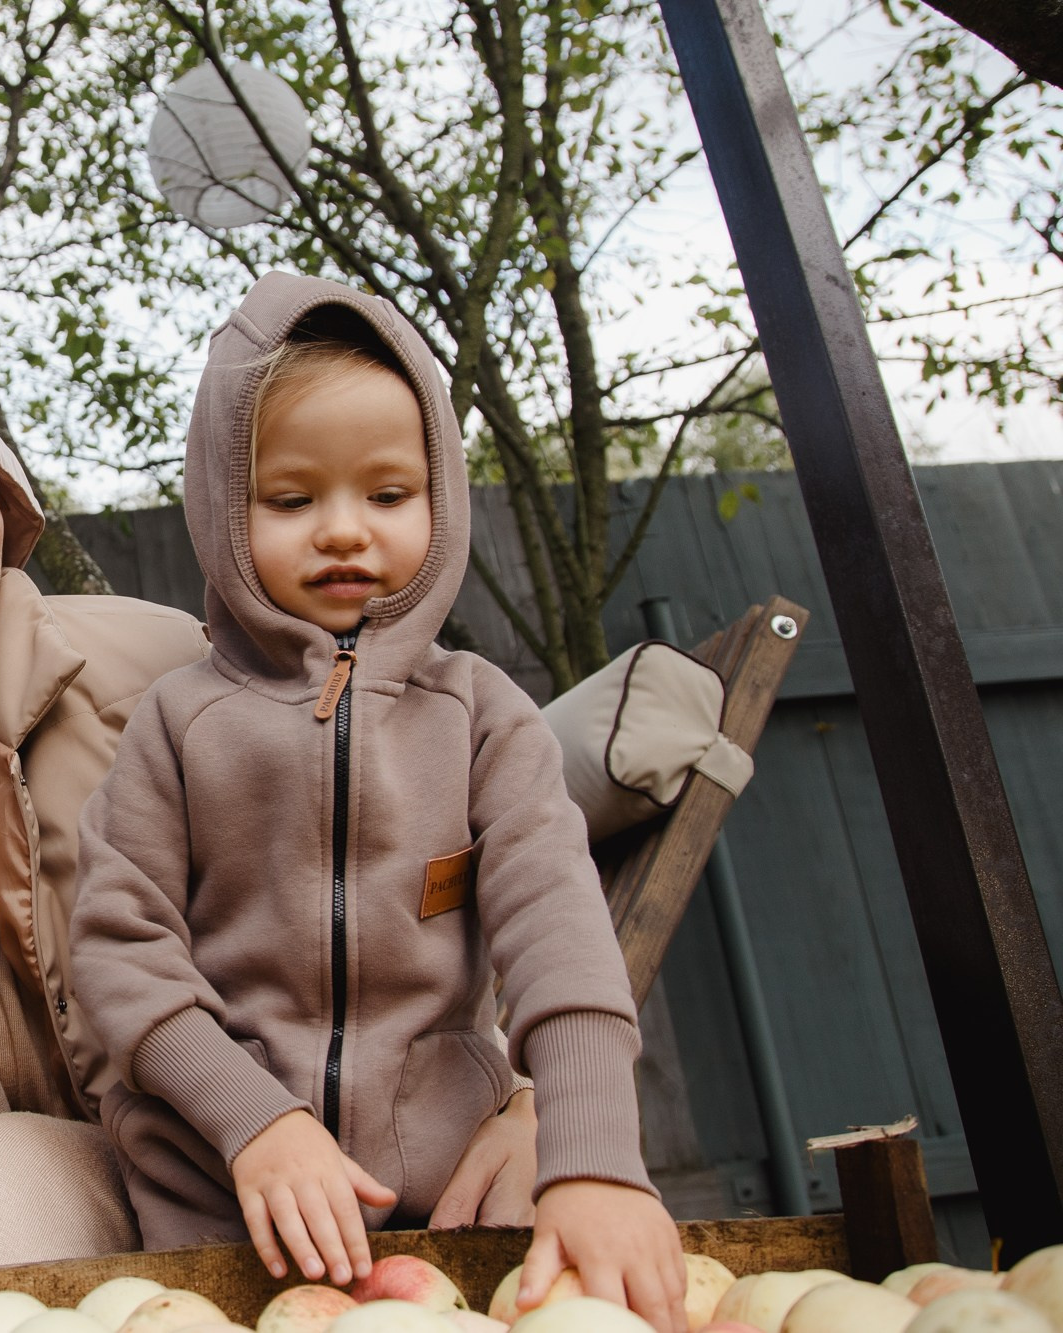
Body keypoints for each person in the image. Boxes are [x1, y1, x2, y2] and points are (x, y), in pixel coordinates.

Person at [0, 313, 540, 1286]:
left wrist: (525, 1100)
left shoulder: (162, 668)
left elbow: (403, 870)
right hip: (45, 1170)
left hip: (223, 1152)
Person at [68, 273, 687, 1332]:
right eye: (291, 500)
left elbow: (558, 928)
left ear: (440, 499)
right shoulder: (178, 723)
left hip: (453, 1201)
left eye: (389, 495)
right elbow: (120, 952)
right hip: (222, 1195)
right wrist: (250, 1119)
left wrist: (591, 1157)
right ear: (221, 512)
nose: (344, 531)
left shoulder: (481, 716)